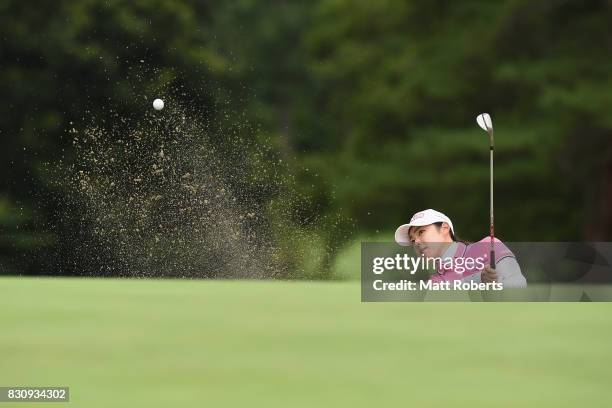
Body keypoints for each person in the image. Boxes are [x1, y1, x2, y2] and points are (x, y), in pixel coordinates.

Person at [394, 209, 526, 287]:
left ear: (444, 228)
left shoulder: (488, 245)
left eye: (421, 232)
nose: (416, 242)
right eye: (412, 240)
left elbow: (518, 286)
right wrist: (479, 279)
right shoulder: (434, 283)